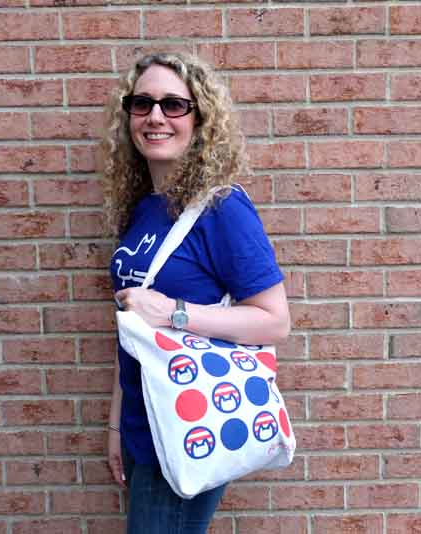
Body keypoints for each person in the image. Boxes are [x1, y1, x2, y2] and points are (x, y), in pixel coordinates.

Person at [100, 52, 291, 534]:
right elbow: (133, 329)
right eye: (141, 104)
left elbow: (274, 321)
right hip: (144, 426)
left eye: (174, 105)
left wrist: (175, 313)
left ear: (200, 118)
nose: (155, 117)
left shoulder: (223, 208)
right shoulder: (144, 209)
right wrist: (115, 425)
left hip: (189, 426)